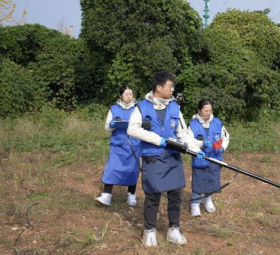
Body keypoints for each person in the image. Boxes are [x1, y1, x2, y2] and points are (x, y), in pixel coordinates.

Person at [128, 71, 204, 247]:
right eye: (170, 86)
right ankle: (149, 231)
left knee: (175, 194)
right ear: (159, 87)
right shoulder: (141, 107)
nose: (173, 89)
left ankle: (174, 229)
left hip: (172, 158)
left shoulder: (175, 107)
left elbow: (183, 133)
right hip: (152, 158)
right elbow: (132, 129)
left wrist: (194, 148)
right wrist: (158, 140)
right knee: (152, 196)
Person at [95, 85, 141, 207]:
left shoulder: (138, 108)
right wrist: (113, 124)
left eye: (131, 94)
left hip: (134, 144)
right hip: (117, 144)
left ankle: (131, 195)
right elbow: (107, 127)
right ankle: (107, 195)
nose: (129, 97)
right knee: (112, 168)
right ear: (121, 95)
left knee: (132, 169)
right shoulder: (114, 109)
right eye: (126, 94)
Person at [188, 99, 230, 217]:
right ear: (199, 110)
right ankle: (195, 203)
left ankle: (207, 199)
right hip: (200, 158)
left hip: (214, 156)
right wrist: (201, 144)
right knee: (198, 180)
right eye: (205, 111)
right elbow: (188, 141)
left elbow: (225, 137)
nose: (208, 113)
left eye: (210, 110)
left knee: (211, 179)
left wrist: (222, 147)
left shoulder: (218, 122)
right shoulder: (192, 124)